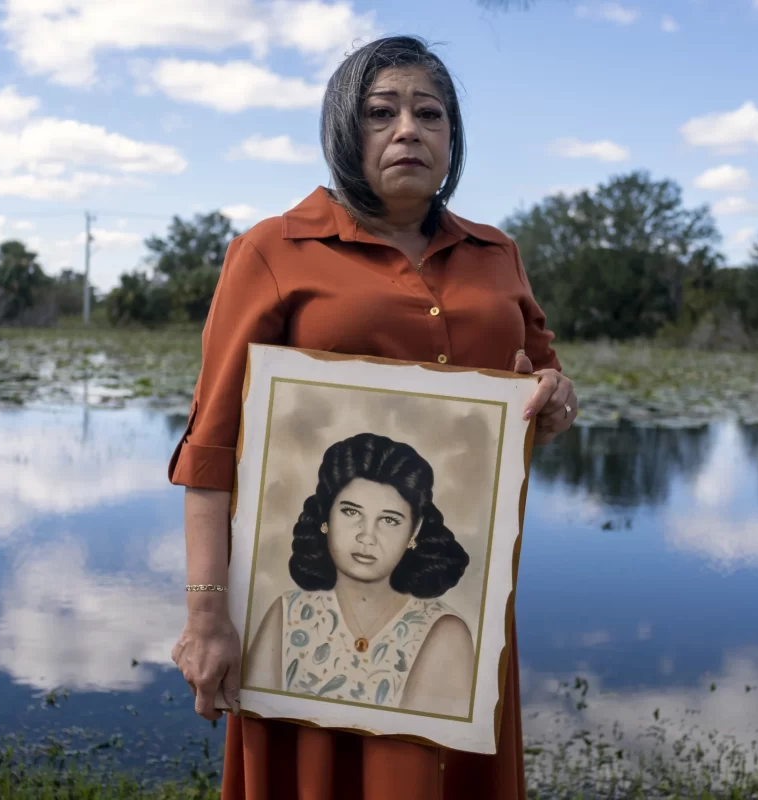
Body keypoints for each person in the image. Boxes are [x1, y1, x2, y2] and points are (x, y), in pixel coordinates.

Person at [168, 34, 578, 800]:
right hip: (300, 613)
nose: (408, 130)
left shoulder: (497, 256)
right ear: (341, 131)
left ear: (452, 138)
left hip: (460, 603)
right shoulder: (271, 251)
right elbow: (211, 447)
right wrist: (206, 614)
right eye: (380, 113)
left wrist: (551, 401)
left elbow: (543, 382)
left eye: (430, 114)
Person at [244, 432, 475, 717]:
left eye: (389, 520)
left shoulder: (444, 632)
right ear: (326, 518)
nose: (367, 536)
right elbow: (258, 722)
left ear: (414, 533)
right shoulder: (286, 614)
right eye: (351, 513)